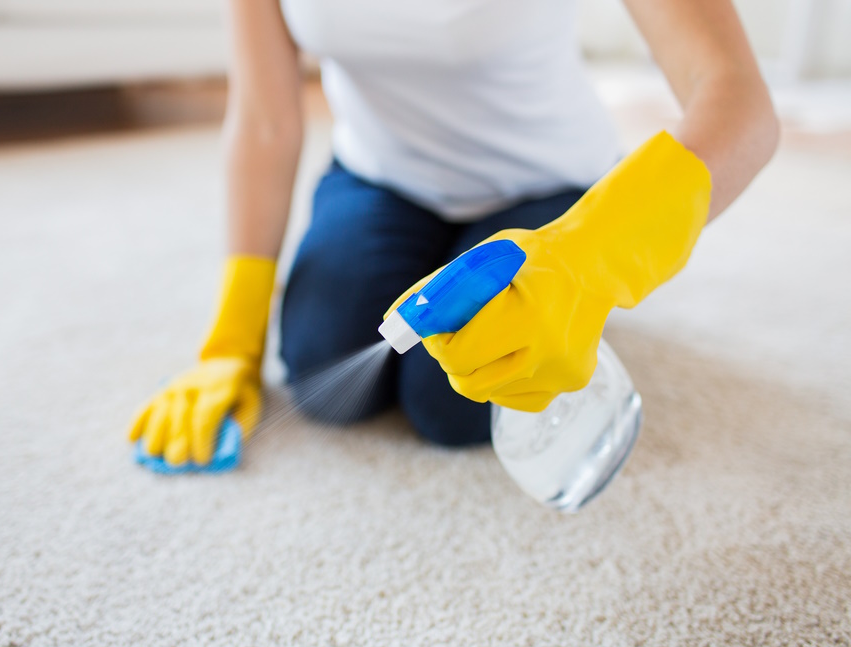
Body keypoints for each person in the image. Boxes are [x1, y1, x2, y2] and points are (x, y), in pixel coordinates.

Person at [129, 0, 779, 465]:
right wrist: (230, 342)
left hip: (546, 189)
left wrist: (591, 257)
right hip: (381, 176)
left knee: (452, 404)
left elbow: (736, 99)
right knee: (321, 374)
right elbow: (264, 120)